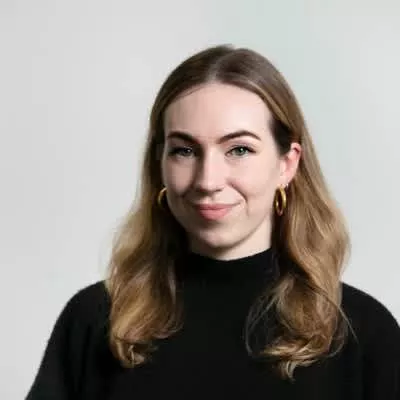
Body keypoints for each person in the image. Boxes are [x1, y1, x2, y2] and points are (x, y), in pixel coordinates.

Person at [27, 44, 400, 400]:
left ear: (287, 164)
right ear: (160, 163)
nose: (208, 181)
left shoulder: (364, 333)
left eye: (239, 149)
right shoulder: (95, 319)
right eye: (185, 150)